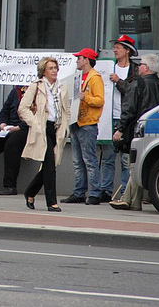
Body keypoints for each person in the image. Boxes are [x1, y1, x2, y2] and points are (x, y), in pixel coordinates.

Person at [110, 54, 159, 211]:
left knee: (134, 164)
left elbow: (129, 108)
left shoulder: (138, 83)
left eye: (141, 64)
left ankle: (128, 199)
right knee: (141, 164)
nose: (138, 67)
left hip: (139, 129)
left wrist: (120, 129)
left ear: (147, 67)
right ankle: (134, 201)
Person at [19, 57, 70, 212]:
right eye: (50, 68)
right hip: (42, 129)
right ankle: (52, 202)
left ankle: (30, 192)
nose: (54, 71)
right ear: (43, 71)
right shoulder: (36, 87)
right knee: (49, 165)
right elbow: (23, 108)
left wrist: (65, 127)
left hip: (56, 129)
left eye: (55, 68)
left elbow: (66, 110)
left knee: (50, 164)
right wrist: (35, 123)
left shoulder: (62, 87)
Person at [61, 48, 104, 205]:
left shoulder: (95, 78)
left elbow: (99, 100)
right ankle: (79, 192)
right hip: (76, 122)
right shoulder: (78, 76)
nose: (77, 60)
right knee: (78, 161)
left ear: (86, 60)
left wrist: (85, 97)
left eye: (79, 58)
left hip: (87, 123)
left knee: (89, 160)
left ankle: (94, 193)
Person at [103, 34, 139, 201]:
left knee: (125, 159)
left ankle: (125, 192)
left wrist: (118, 81)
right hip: (109, 118)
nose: (114, 50)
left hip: (126, 120)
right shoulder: (109, 67)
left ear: (127, 51)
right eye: (114, 47)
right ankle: (105, 191)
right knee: (107, 157)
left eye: (118, 47)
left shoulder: (136, 70)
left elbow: (133, 92)